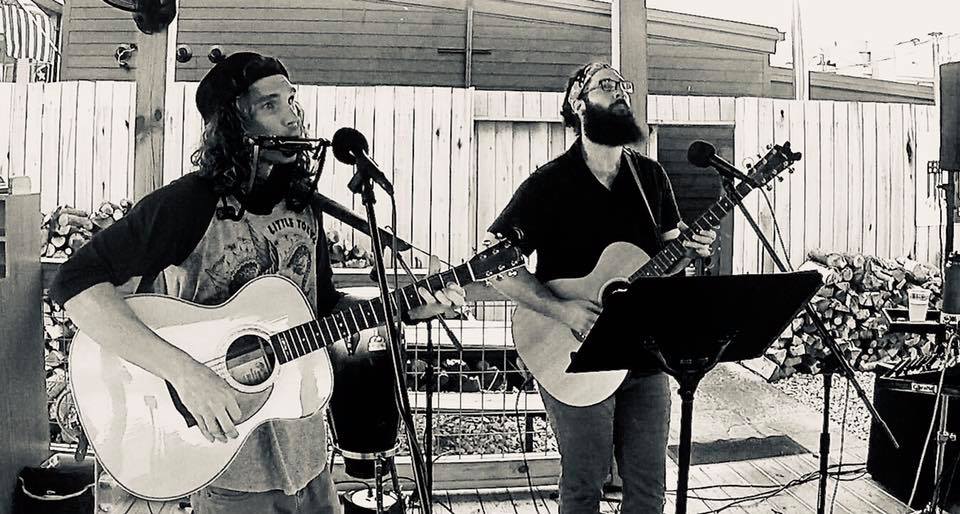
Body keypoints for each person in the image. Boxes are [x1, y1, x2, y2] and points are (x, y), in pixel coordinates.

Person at [49, 52, 465, 514]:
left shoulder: (302, 205)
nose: (291, 118)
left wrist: (401, 306)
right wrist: (188, 375)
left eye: (292, 102)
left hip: (306, 452)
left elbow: (321, 306)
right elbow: (74, 282)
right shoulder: (190, 204)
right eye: (271, 106)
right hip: (224, 456)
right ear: (232, 123)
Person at [486, 62, 717, 513]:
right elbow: (497, 268)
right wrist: (563, 311)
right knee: (583, 486)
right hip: (575, 356)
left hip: (645, 356)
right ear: (577, 103)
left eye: (623, 85)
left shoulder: (650, 178)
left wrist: (694, 250)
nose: (620, 91)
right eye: (605, 85)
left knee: (649, 491)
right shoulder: (547, 184)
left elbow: (668, 258)